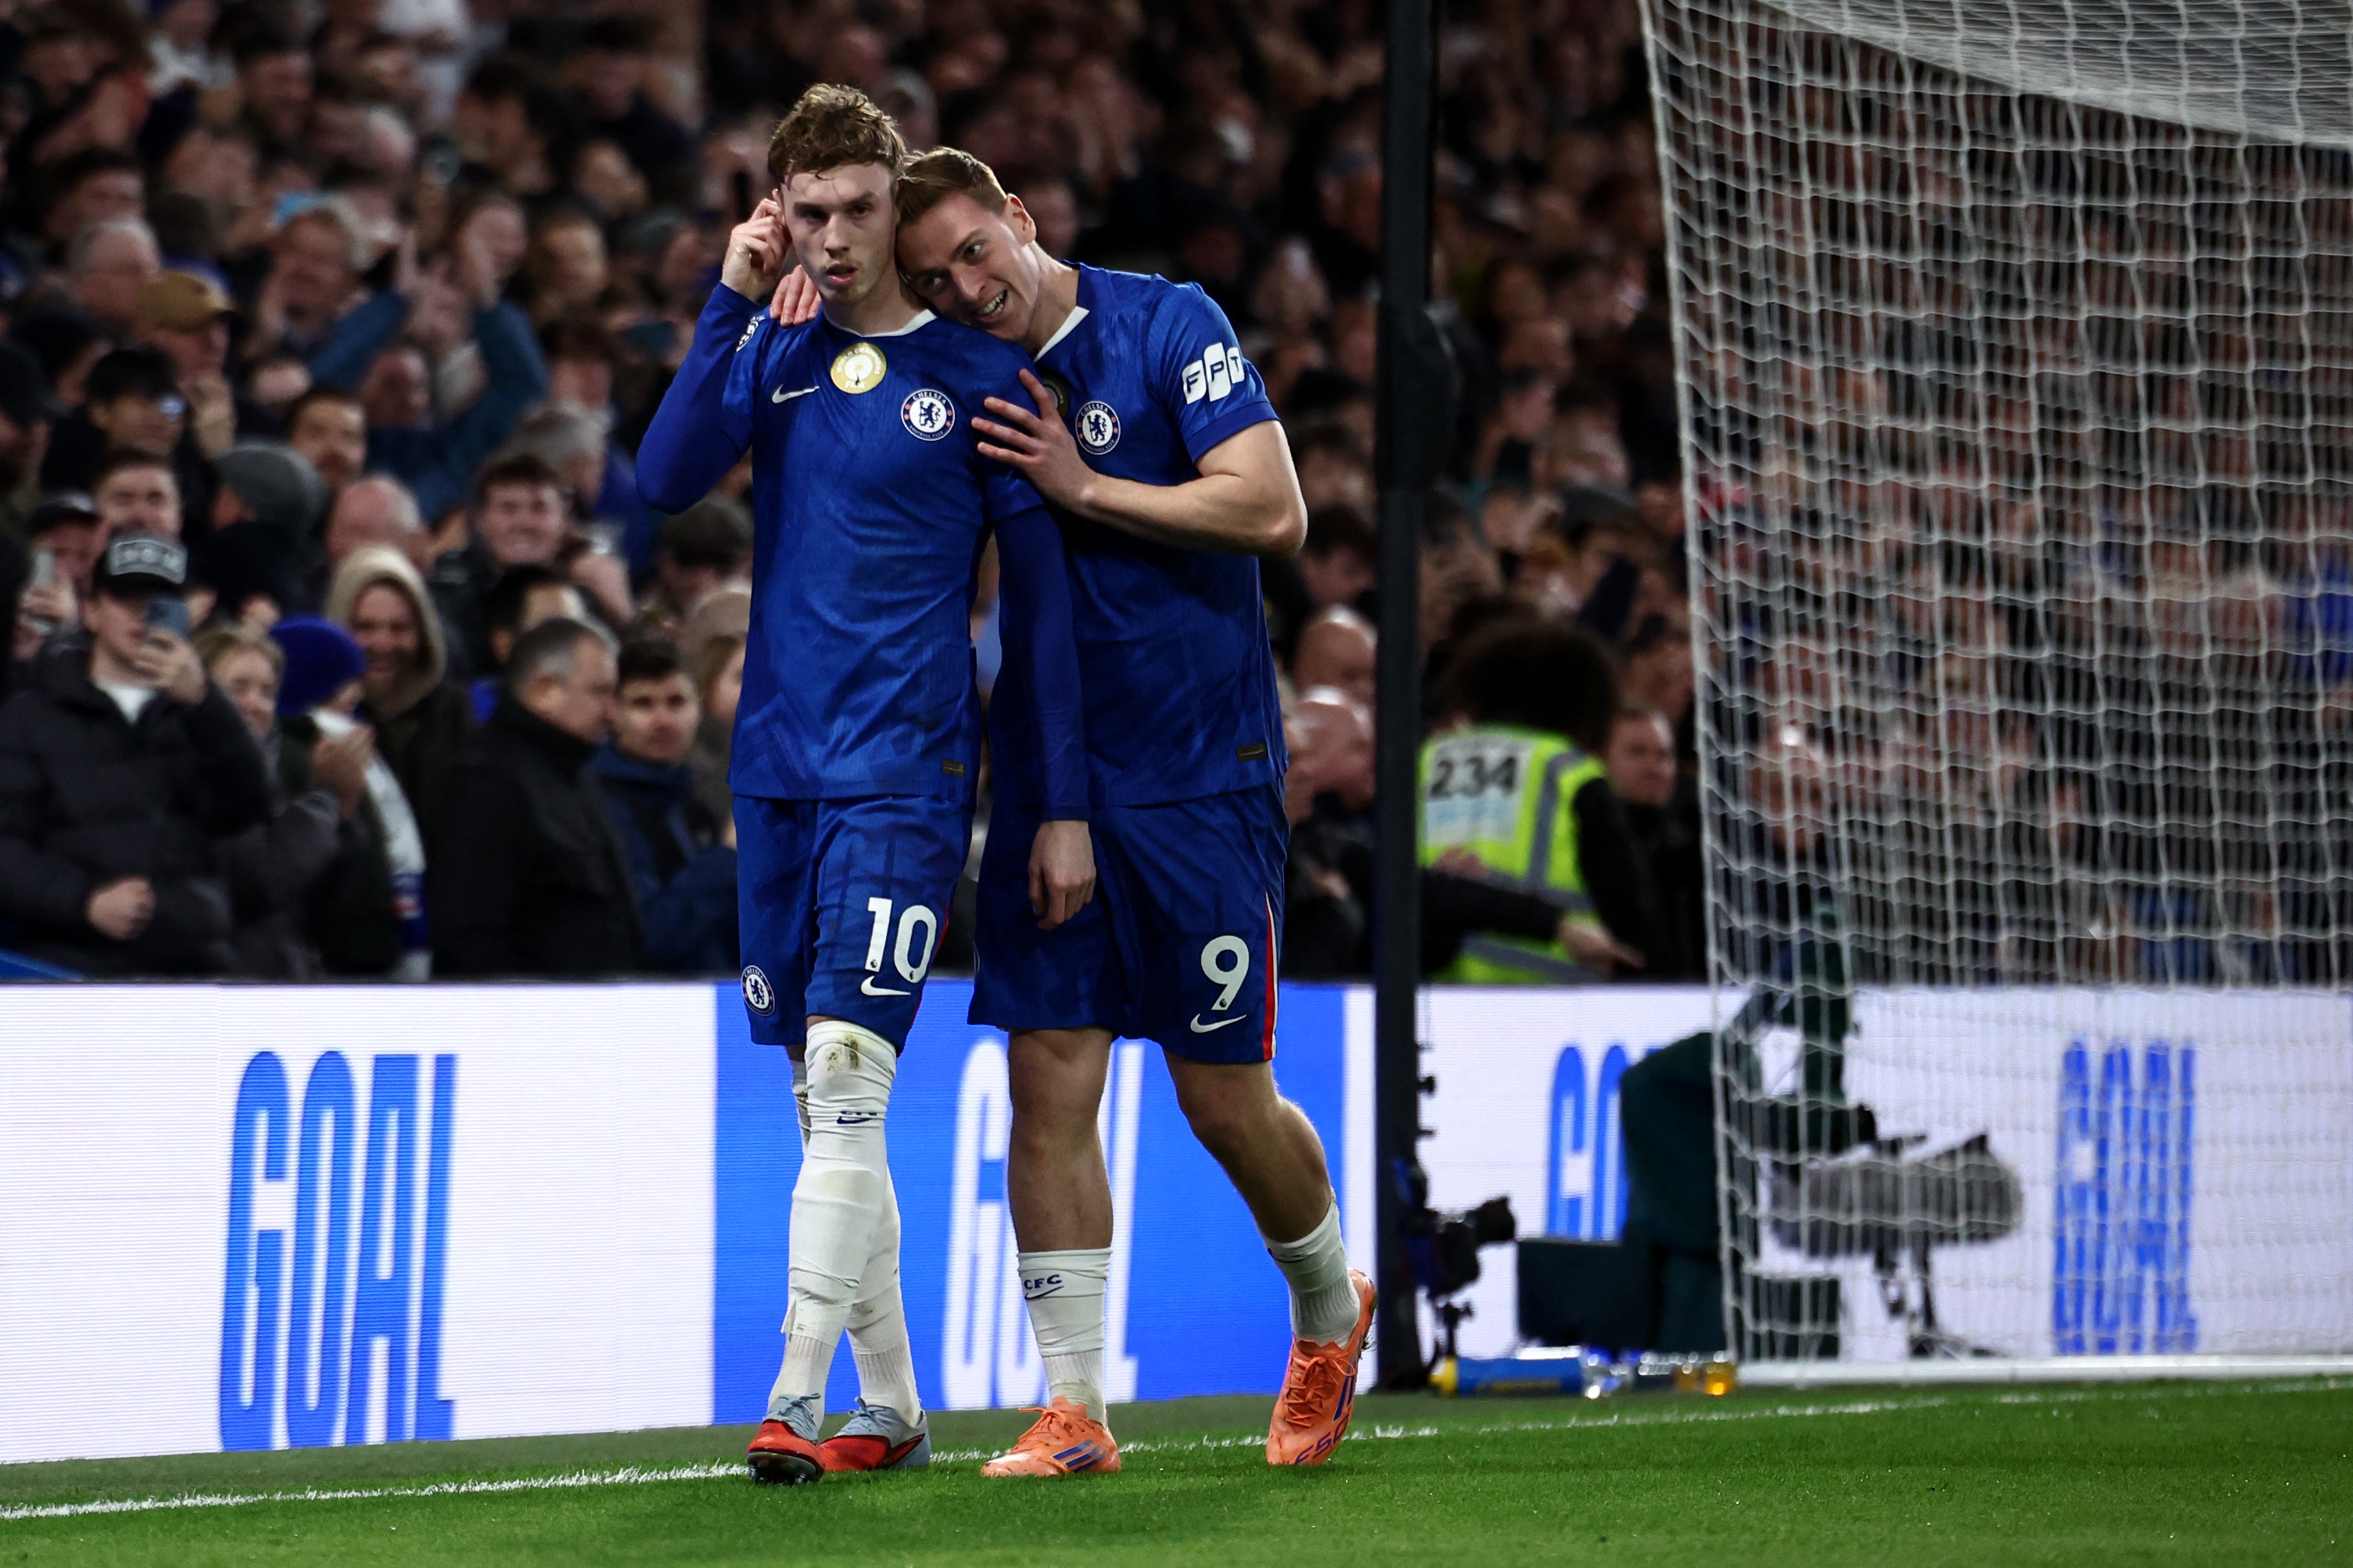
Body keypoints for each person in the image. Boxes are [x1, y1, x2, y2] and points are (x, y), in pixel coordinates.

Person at [788, 143, 1369, 1475]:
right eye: (933, 278)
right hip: (1053, 782)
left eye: (974, 253)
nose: (965, 287)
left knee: (1222, 1099)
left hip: (1199, 776)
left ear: (1018, 216)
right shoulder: (964, 379)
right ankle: (1072, 1408)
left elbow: (1270, 508)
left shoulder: (1166, 323)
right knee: (1046, 1084)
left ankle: (1330, 1310)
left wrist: (1082, 485)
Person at [639, 86, 1091, 1486]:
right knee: (813, 1096)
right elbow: (662, 480)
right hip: (772, 771)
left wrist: (1058, 798)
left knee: (846, 1080)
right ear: (777, 213)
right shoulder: (770, 348)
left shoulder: (977, 372)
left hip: (903, 771)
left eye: (853, 210)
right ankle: (888, 1409)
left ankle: (787, 1393)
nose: (831, 241)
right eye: (805, 214)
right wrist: (724, 298)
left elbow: (1046, 612)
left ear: (897, 202)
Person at [0, 533, 270, 976]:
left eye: (160, 601)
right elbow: (6, 849)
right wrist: (84, 901)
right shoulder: (30, 717)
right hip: (75, 967)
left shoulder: (199, 711)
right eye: (128, 599)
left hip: (193, 964)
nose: (143, 615)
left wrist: (206, 704)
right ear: (92, 610)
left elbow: (250, 806)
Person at [1421, 616, 1661, 980]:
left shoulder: (1427, 759)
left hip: (1430, 995)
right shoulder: (1568, 770)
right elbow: (1628, 907)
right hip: (1551, 1003)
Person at [421, 616, 640, 977]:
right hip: (533, 1024)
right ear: (543, 690)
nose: (611, 713)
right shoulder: (485, 784)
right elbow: (470, 937)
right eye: (599, 692)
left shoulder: (576, 777)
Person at [196, 622, 370, 979]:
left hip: (286, 982)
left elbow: (323, 903)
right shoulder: (192, 772)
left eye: (266, 692)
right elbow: (259, 882)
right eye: (238, 688)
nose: (254, 704)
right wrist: (323, 799)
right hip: (225, 987)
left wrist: (342, 819)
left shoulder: (278, 771)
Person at [590, 639, 738, 974]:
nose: (662, 720)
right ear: (613, 712)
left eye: (676, 702)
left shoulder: (696, 807)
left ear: (698, 708)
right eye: (643, 704)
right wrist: (727, 858)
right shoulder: (600, 808)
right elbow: (653, 934)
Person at [325, 545, 473, 824]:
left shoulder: (452, 711)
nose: (384, 645)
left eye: (400, 628)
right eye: (365, 628)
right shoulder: (313, 718)